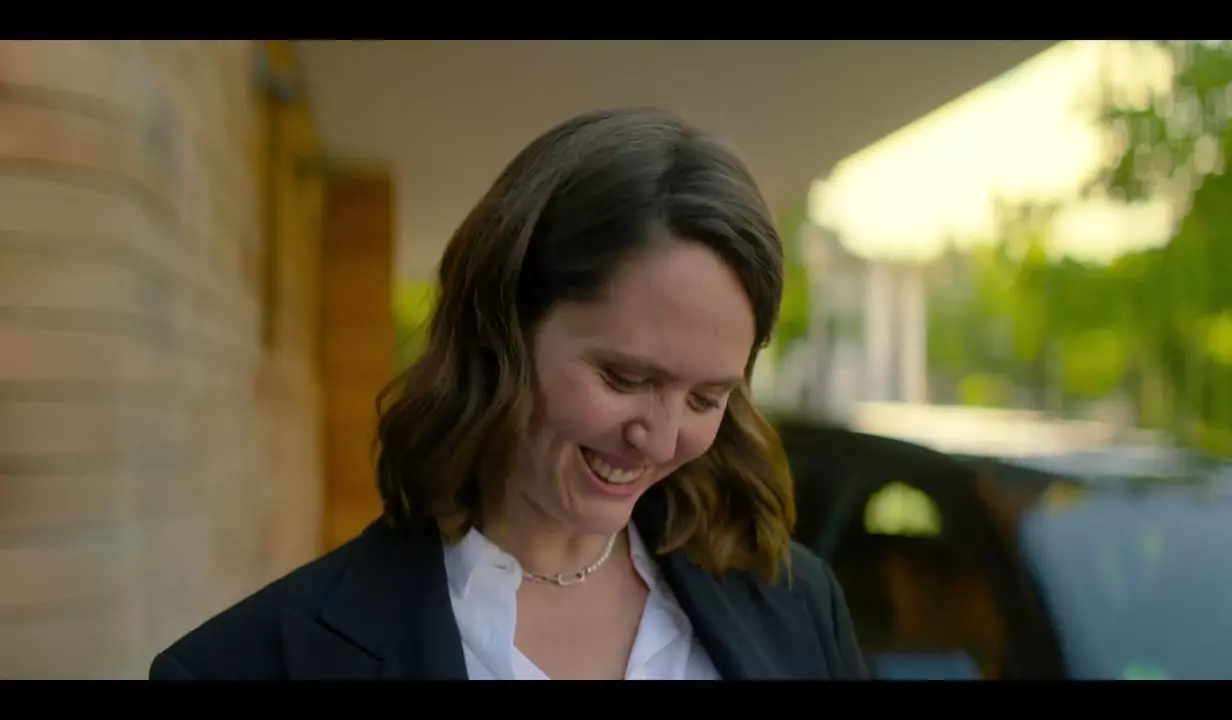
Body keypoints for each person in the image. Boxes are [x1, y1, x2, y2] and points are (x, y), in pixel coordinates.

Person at [149, 107, 869, 681]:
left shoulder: (799, 604)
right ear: (501, 328)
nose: (657, 435)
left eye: (707, 399)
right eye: (624, 379)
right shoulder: (247, 665)